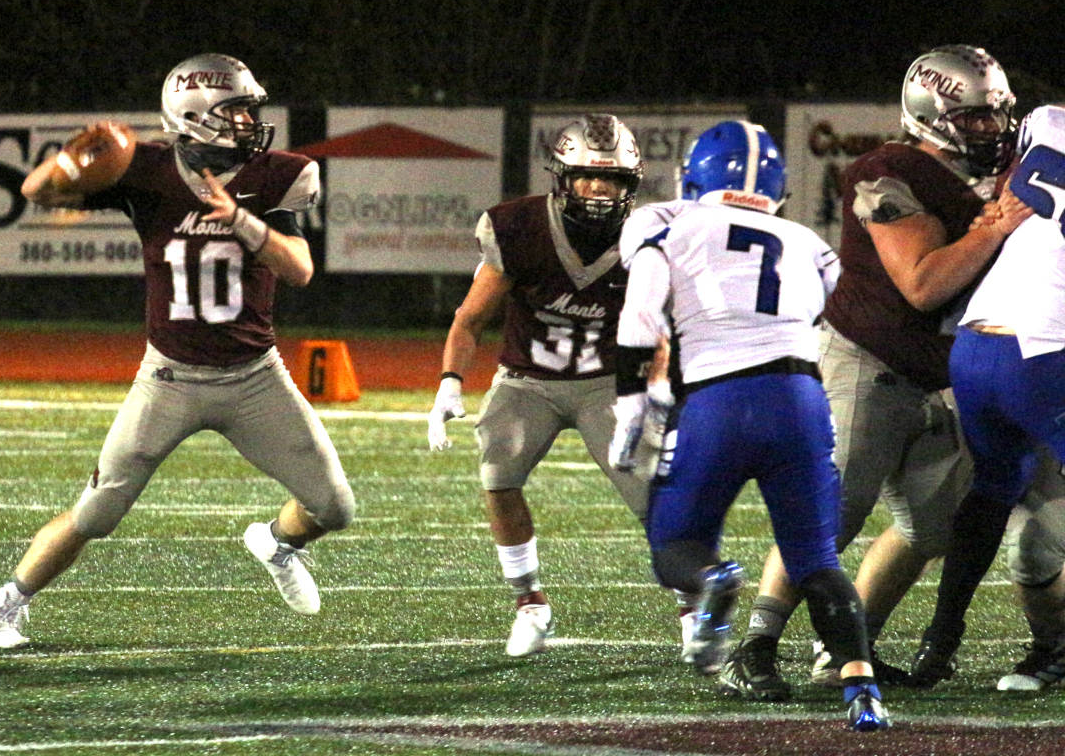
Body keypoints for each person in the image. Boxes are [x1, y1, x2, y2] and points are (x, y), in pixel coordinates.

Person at [0, 53, 355, 648]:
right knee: (96, 514)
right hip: (169, 378)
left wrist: (241, 222)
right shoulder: (145, 170)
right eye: (236, 111)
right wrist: (70, 161)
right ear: (197, 118)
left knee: (334, 507)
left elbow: (301, 269)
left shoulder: (282, 173)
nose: (251, 122)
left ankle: (277, 543)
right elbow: (34, 192)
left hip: (255, 376)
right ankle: (5, 607)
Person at [720, 45, 1028, 699]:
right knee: (829, 514)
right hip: (867, 364)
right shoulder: (885, 171)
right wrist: (993, 229)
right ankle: (754, 646)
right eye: (974, 118)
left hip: (941, 378)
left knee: (933, 530)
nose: (992, 130)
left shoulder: (996, 179)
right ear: (933, 114)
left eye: (998, 115)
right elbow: (920, 284)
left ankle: (843, 649)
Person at [609, 119, 891, 732]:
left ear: (694, 174)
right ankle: (862, 689)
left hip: (718, 398)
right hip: (801, 397)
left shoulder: (668, 223)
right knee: (817, 558)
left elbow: (638, 317)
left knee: (675, 544)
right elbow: (842, 317)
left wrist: (633, 401)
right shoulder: (803, 238)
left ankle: (714, 582)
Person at [427, 113, 676, 657]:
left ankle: (691, 608)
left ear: (630, 185)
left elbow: (660, 331)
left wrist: (656, 395)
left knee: (653, 493)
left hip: (607, 381)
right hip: (529, 380)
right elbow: (469, 319)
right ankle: (529, 603)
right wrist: (450, 381)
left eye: (610, 179)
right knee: (498, 468)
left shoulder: (649, 238)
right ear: (562, 178)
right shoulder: (519, 227)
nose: (598, 189)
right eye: (587, 176)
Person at [911, 104, 1065, 686]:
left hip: (975, 347)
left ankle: (939, 641)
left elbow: (1006, 182)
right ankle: (1052, 649)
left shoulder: (1049, 120)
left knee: (994, 489)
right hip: (1043, 351)